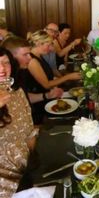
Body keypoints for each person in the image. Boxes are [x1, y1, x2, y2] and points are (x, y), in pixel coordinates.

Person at [0, 47, 37, 196]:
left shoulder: (17, 92)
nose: (2, 68)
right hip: (5, 178)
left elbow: (29, 130)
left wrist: (34, 162)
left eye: (6, 62)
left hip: (26, 166)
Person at [1, 36, 63, 103]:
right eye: (25, 54)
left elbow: (24, 96)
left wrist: (47, 95)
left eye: (29, 54)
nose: (30, 58)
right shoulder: (5, 79)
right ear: (11, 57)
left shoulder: (20, 72)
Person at [25, 30, 81, 94]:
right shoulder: (33, 61)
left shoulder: (39, 56)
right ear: (38, 44)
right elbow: (47, 85)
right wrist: (68, 77)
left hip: (50, 93)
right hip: (42, 97)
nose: (50, 48)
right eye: (48, 45)